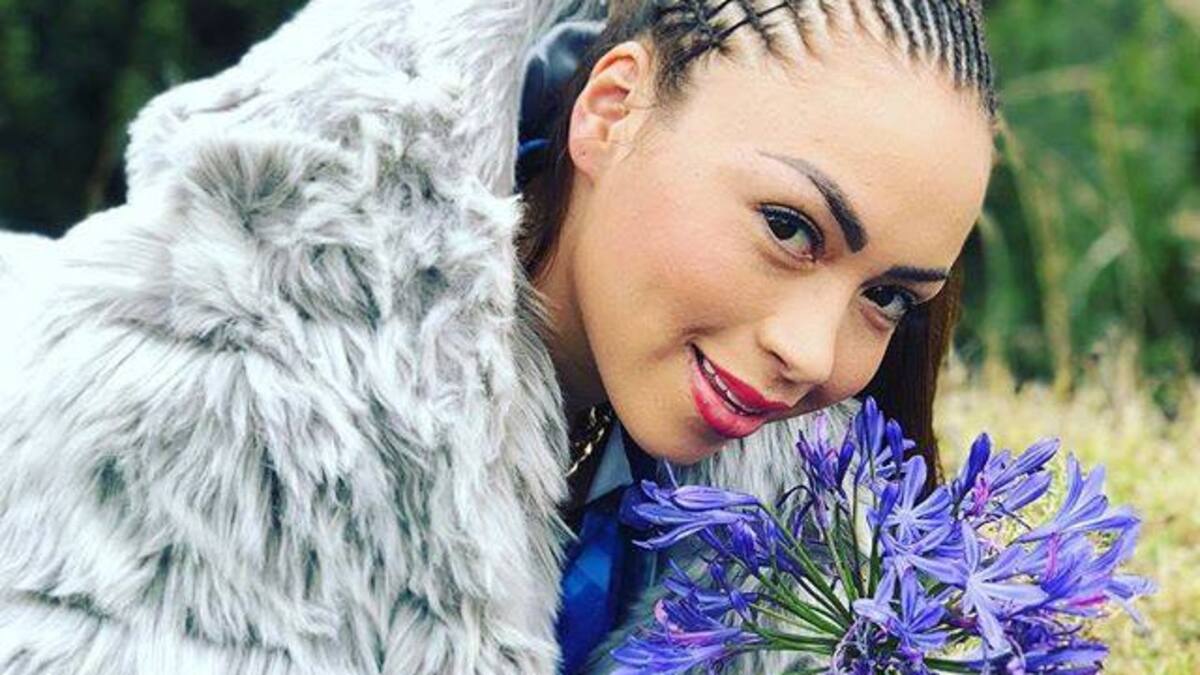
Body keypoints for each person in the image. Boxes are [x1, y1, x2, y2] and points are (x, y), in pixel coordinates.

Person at [0, 0, 996, 673]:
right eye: (788, 227)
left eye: (887, 297)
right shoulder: (201, 394)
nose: (815, 355)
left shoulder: (795, 500)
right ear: (612, 111)